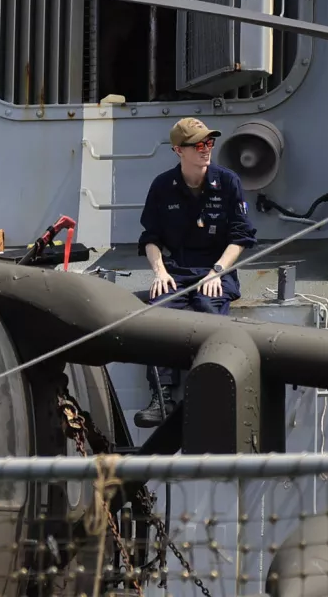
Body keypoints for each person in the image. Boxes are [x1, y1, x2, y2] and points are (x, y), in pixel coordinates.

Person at [133, 117, 258, 428]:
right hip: (177, 267)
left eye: (210, 143)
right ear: (179, 150)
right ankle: (162, 397)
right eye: (199, 145)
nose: (206, 150)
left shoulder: (228, 181)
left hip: (216, 269)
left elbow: (242, 235)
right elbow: (150, 237)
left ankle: (211, 396)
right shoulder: (163, 186)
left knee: (209, 309)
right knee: (158, 314)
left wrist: (217, 271)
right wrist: (159, 272)